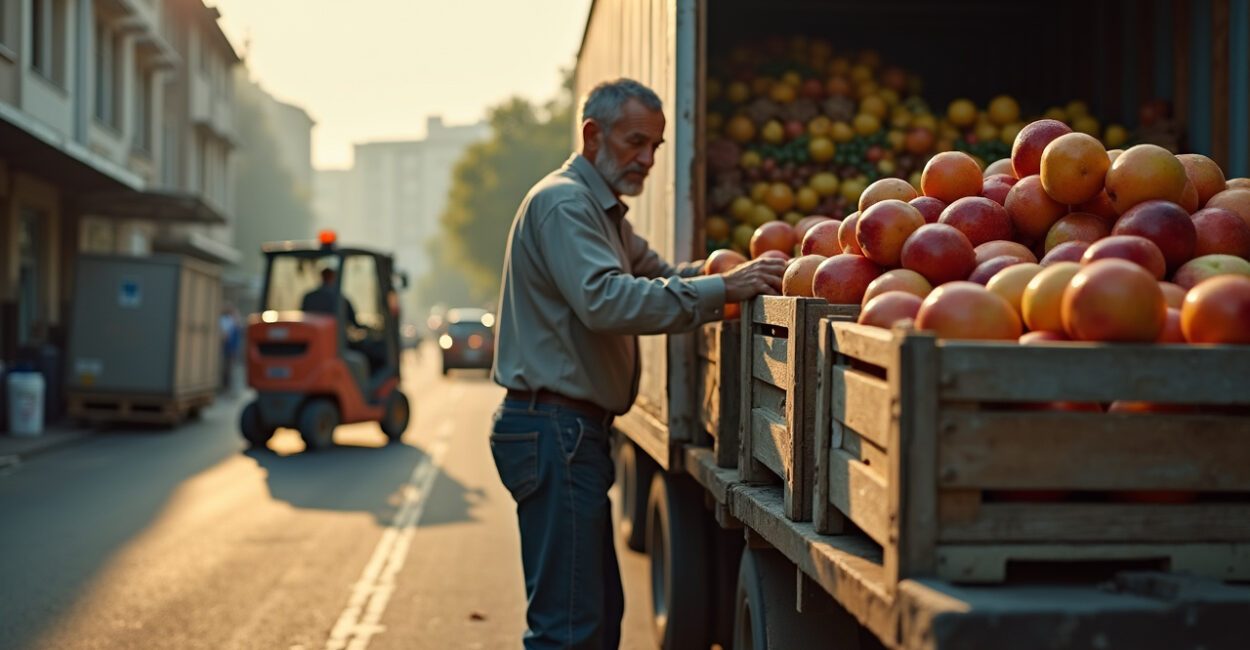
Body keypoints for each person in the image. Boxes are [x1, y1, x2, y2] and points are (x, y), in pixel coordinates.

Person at [490, 78, 785, 649]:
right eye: (635, 142)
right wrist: (725, 287)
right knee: (569, 629)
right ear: (592, 135)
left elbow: (660, 276)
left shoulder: (603, 213)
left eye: (656, 146)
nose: (648, 159)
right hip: (554, 428)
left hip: (567, 431)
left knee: (596, 617)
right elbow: (606, 300)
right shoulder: (565, 204)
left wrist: (727, 273)